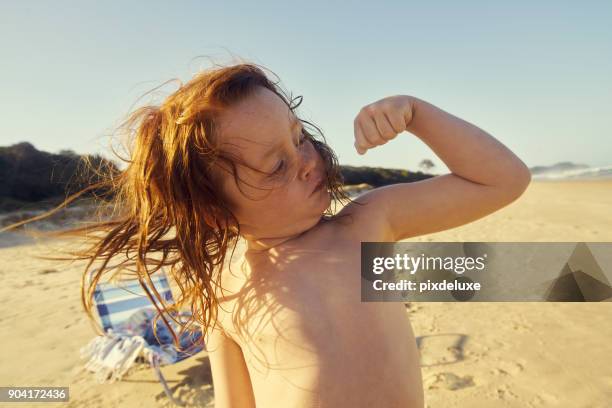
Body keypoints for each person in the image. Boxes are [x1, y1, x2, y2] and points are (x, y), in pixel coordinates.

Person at [1, 61, 531, 407]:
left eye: (299, 137)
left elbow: (503, 180)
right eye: (275, 164)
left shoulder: (366, 225)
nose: (306, 160)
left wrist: (417, 113)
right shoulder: (225, 286)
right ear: (212, 213)